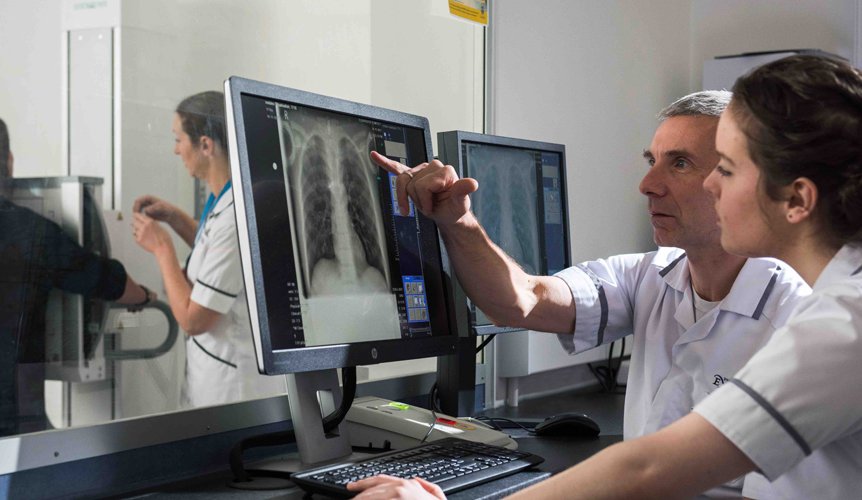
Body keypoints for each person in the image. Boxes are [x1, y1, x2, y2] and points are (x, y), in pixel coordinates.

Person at [349, 54, 862, 499]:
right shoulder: (654, 276)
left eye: (721, 168)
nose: (648, 185)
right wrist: (457, 222)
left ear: (796, 199)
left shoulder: (837, 324)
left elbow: (648, 470)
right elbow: (521, 299)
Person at [0, 113, 154, 444]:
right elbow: (104, 281)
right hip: (4, 418)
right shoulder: (29, 232)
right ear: (4, 161)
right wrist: (147, 297)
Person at [131, 91, 285, 408]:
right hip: (212, 381)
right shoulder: (226, 201)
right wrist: (176, 219)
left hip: (232, 389)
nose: (176, 150)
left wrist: (162, 248)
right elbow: (217, 254)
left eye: (179, 140)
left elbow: (193, 320)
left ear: (205, 144)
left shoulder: (235, 217)